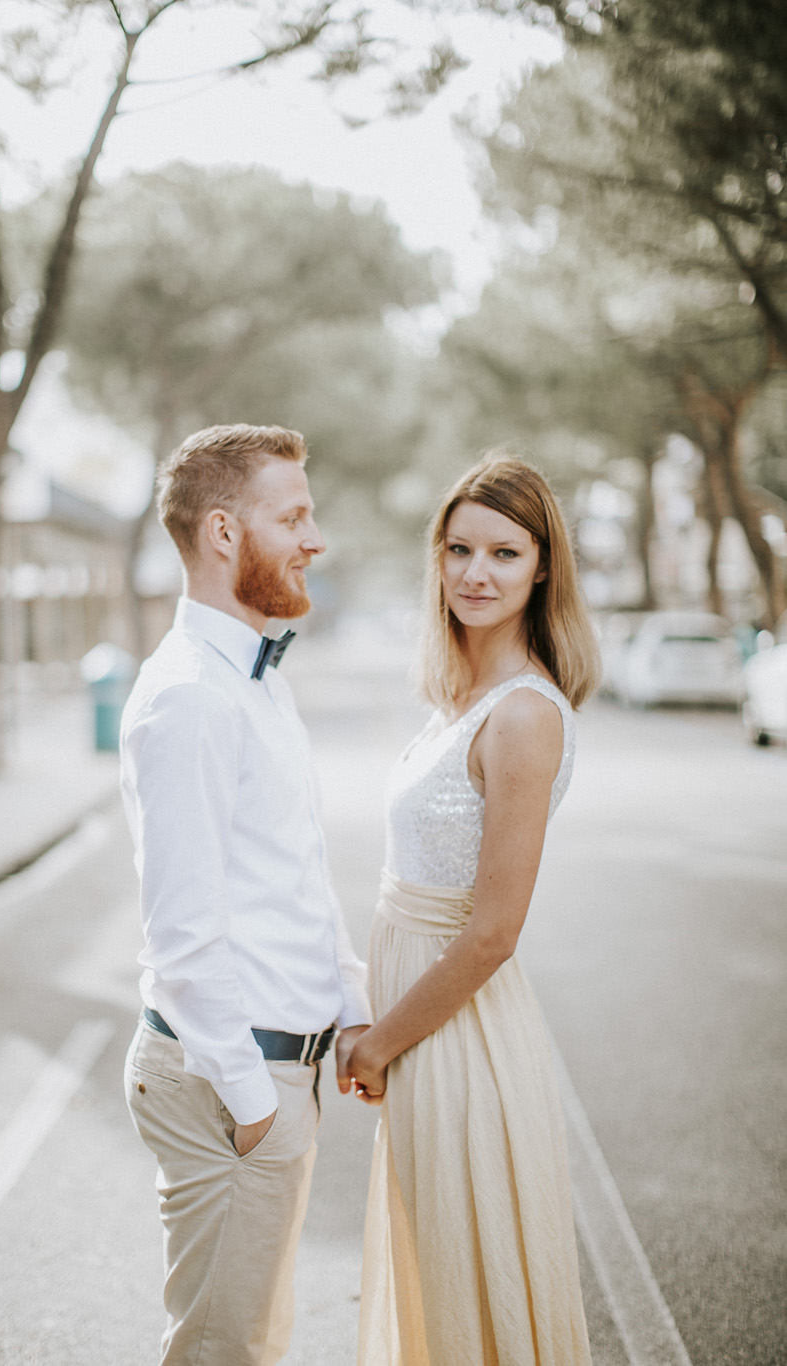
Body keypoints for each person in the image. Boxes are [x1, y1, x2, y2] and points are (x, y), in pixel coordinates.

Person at [342, 451, 602, 1366]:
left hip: (457, 1036)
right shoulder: (458, 696)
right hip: (425, 1023)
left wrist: (378, 1040)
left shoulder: (524, 714)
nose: (475, 573)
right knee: (433, 1277)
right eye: (458, 549)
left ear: (542, 567)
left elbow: (492, 931)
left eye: (503, 553)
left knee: (464, 1286)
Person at [120, 423, 372, 1366]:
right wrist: (249, 1103)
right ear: (224, 533)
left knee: (253, 1342)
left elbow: (293, 876)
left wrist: (348, 1011)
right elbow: (180, 938)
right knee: (224, 1353)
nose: (315, 538)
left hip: (279, 1074)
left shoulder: (257, 681)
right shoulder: (188, 696)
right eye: (295, 516)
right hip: (236, 1083)